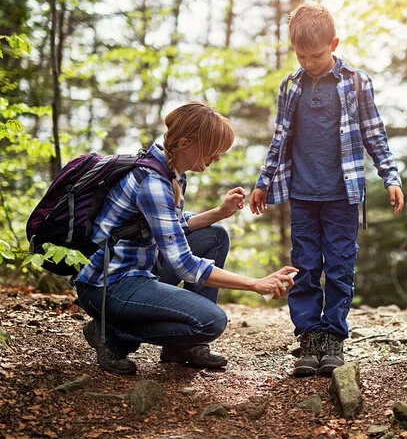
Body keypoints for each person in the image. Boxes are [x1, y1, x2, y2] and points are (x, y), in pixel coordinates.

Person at [75, 101, 297, 375]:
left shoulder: (170, 173)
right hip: (109, 285)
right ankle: (110, 333)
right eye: (213, 150)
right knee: (211, 321)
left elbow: (174, 228)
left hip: (139, 270)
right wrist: (255, 284)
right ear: (184, 143)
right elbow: (185, 264)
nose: (217, 158)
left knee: (215, 236)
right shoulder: (153, 182)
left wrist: (220, 212)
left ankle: (181, 348)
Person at [249, 2, 404, 377]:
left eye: (316, 54)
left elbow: (374, 134)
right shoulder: (290, 86)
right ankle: (308, 335)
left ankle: (332, 335)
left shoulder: (355, 82)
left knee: (338, 266)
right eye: (301, 55)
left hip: (343, 196)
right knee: (304, 265)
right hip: (302, 194)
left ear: (333, 44)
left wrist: (391, 176)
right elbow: (280, 139)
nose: (309, 61)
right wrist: (263, 182)